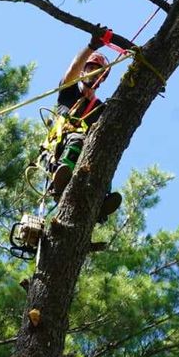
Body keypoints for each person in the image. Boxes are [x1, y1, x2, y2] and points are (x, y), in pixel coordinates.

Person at [46, 29, 122, 223]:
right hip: (64, 145)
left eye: (100, 72)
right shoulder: (69, 91)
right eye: (91, 68)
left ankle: (101, 199)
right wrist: (91, 48)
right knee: (78, 139)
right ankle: (61, 180)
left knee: (104, 153)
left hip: (86, 152)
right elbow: (72, 69)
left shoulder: (100, 107)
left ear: (102, 79)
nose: (94, 73)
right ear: (84, 70)